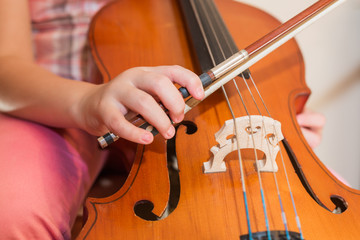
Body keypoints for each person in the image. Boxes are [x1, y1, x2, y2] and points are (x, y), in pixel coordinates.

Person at [0, 0, 325, 239]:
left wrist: (281, 124)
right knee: (14, 208)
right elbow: (5, 67)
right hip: (54, 108)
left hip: (183, 125)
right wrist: (87, 101)